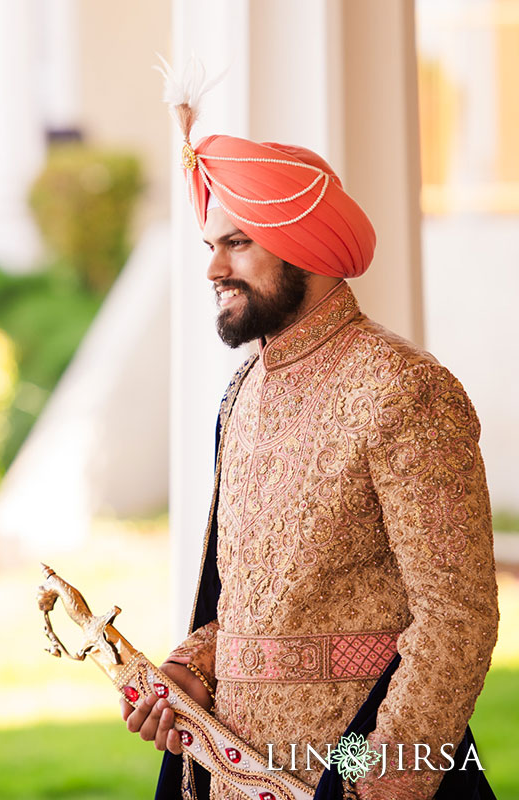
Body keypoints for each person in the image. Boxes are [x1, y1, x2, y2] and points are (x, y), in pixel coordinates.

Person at [124, 65, 498, 800]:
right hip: (231, 771)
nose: (213, 268)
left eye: (236, 243)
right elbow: (248, 604)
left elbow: (459, 619)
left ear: (306, 247)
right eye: (209, 245)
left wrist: (365, 783)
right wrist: (190, 670)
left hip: (352, 773)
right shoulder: (244, 392)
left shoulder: (405, 389)